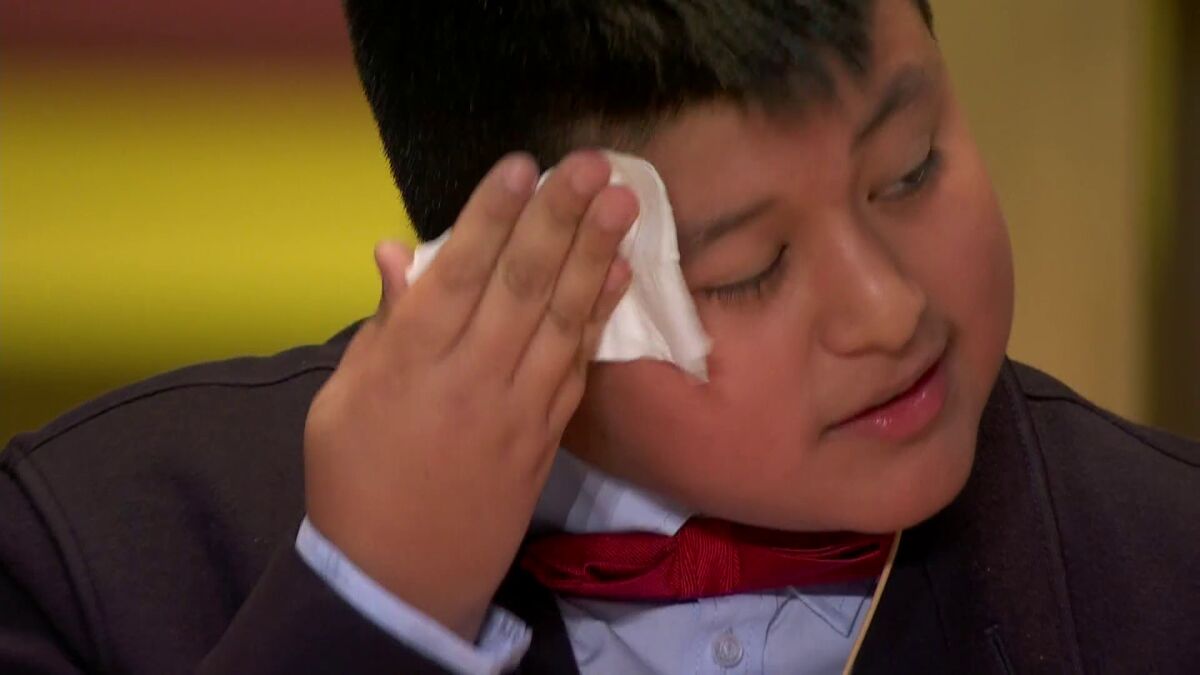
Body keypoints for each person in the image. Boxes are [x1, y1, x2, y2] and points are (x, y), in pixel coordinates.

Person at [2, 0, 1197, 673]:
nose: (889, 310)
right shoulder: (93, 563)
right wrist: (370, 610)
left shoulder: (1167, 565)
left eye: (910, 168)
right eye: (747, 270)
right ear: (514, 261)